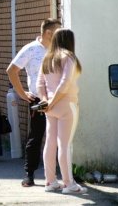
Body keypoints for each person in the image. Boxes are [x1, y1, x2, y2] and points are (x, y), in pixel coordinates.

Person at [6, 18, 62, 186]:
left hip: (57, 99)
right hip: (38, 100)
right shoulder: (31, 49)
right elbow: (12, 70)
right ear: (48, 33)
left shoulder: (59, 49)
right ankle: (29, 174)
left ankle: (64, 174)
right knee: (36, 136)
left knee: (60, 137)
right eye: (58, 32)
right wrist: (22, 93)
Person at [37, 29, 86, 194]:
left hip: (49, 108)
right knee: (64, 145)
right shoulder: (69, 57)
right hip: (67, 105)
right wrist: (53, 102)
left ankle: (50, 182)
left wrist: (45, 101)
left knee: (50, 143)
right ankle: (69, 184)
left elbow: (40, 84)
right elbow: (65, 84)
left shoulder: (47, 57)